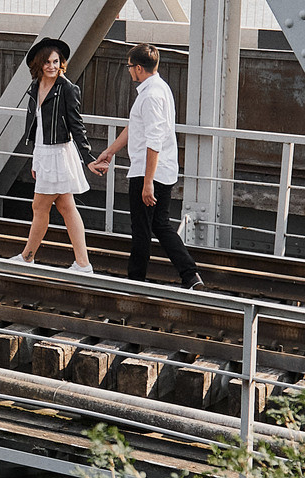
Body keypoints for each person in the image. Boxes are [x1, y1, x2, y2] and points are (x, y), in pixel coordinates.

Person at [89, 42, 203, 289]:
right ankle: (190, 275)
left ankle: (136, 282)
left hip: (148, 172)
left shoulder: (150, 96)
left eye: (130, 66)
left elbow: (154, 140)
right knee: (159, 225)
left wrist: (148, 182)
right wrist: (109, 152)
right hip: (163, 169)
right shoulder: (160, 88)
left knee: (141, 230)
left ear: (139, 68)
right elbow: (134, 126)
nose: (129, 70)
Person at [16, 37, 95, 273]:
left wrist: (88, 158)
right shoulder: (35, 87)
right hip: (44, 153)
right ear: (39, 64)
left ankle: (27, 257)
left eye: (56, 61)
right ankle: (83, 263)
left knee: (40, 207)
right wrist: (36, 159)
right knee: (67, 208)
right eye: (47, 62)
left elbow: (77, 126)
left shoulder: (67, 89)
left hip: (58, 154)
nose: (52, 66)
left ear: (61, 63)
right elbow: (38, 128)